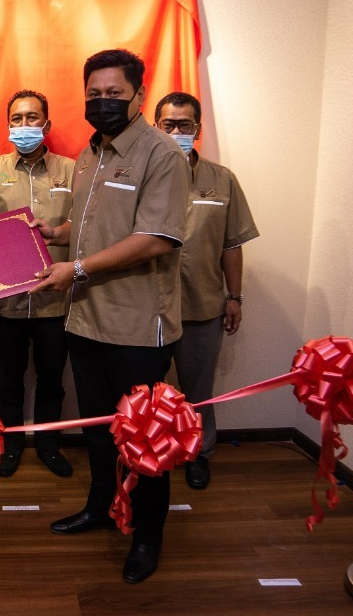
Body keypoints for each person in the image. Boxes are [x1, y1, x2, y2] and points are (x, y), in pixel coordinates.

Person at [31, 49, 189, 584]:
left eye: (114, 94)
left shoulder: (161, 154)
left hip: (137, 327)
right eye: (94, 94)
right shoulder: (88, 154)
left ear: (139, 95)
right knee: (99, 431)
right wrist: (57, 234)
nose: (103, 102)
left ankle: (147, 535)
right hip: (86, 320)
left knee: (144, 439)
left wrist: (75, 268)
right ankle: (100, 507)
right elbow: (92, 225)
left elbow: (156, 239)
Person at [0, 90, 75, 478]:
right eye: (17, 119)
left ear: (47, 124)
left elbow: (82, 223)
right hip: (7, 300)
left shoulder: (71, 170)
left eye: (32, 118)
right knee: (9, 380)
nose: (24, 125)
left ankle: (48, 446)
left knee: (52, 380)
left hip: (55, 300)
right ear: (8, 125)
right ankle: (9, 445)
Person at [154, 92, 259, 490]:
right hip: (148, 309)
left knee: (198, 392)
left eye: (185, 125)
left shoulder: (222, 179)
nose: (177, 132)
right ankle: (152, 453)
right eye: (168, 125)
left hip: (202, 306)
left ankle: (199, 454)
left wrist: (235, 297)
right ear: (156, 128)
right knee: (148, 391)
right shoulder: (142, 177)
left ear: (197, 129)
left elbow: (232, 244)